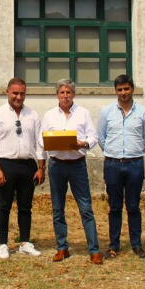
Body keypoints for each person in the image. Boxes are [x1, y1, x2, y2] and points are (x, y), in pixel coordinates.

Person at [41, 79, 103, 265]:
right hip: (57, 165)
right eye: (62, 92)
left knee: (86, 208)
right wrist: (44, 156)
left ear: (73, 94)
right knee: (58, 208)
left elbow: (93, 137)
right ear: (57, 95)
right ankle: (62, 248)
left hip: (77, 165)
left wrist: (83, 143)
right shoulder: (50, 115)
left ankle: (94, 250)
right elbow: (41, 140)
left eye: (68, 92)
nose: (65, 96)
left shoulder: (83, 113)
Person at [0, 77, 46, 259]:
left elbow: (40, 143)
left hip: (27, 165)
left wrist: (41, 167)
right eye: (15, 93)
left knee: (25, 207)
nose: (19, 97)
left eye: (22, 93)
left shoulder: (33, 115)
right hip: (6, 165)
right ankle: (3, 244)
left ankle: (25, 242)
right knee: (4, 206)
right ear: (7, 92)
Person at [96, 74, 145, 259]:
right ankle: (113, 245)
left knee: (133, 206)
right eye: (120, 90)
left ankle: (136, 244)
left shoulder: (143, 112)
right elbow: (101, 137)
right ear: (116, 91)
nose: (123, 93)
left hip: (135, 163)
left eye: (126, 89)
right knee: (114, 207)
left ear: (132, 89)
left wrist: (133, 152)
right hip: (112, 163)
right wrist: (114, 152)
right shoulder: (106, 112)